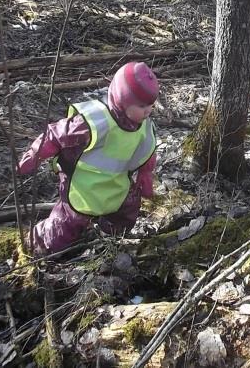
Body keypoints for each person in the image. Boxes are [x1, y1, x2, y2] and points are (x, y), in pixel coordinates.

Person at [17, 61, 159, 253]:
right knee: (64, 227)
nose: (148, 111)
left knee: (126, 217)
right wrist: (35, 154)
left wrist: (145, 176)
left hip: (117, 190)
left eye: (151, 105)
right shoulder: (95, 121)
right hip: (82, 190)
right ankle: (36, 246)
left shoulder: (144, 128)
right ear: (123, 100)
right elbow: (56, 135)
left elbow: (148, 152)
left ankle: (107, 240)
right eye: (142, 106)